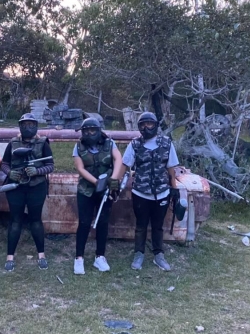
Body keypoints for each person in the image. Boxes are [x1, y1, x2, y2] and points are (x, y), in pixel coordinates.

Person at [120, 111, 180, 272]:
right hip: (140, 193)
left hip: (162, 193)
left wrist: (174, 188)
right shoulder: (134, 144)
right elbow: (124, 165)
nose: (146, 127)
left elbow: (171, 167)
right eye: (143, 125)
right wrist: (114, 183)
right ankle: (139, 253)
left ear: (156, 125)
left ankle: (158, 254)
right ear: (139, 127)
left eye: (150, 124)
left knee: (158, 226)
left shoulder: (166, 143)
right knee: (140, 225)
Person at [0, 113, 54, 272]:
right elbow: (4, 163)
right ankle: (10, 257)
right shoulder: (13, 143)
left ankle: (41, 255)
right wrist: (9, 173)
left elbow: (50, 165)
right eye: (24, 124)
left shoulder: (43, 142)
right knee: (15, 221)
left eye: (31, 124)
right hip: (15, 187)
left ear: (36, 126)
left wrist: (37, 171)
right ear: (20, 126)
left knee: (35, 220)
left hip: (36, 186)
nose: (28, 128)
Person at [72, 117, 123, 275]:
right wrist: (95, 182)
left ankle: (100, 257)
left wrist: (114, 179)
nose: (89, 133)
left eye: (93, 130)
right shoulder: (78, 147)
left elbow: (118, 159)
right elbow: (80, 168)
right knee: (84, 223)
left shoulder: (110, 143)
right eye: (86, 130)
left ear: (99, 130)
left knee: (103, 223)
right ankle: (78, 258)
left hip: (106, 190)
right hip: (86, 190)